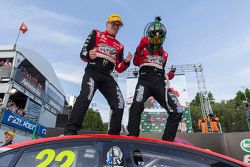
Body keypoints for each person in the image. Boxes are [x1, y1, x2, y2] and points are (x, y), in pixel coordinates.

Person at [64, 14, 132, 135]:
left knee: (120, 104)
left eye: (118, 26)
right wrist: (89, 55)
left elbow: (119, 68)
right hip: (93, 71)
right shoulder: (96, 34)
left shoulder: (120, 46)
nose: (115, 27)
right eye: (113, 24)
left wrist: (126, 62)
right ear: (107, 24)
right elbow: (83, 53)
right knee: (86, 95)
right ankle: (70, 131)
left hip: (108, 75)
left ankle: (114, 135)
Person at [127, 17, 183, 142]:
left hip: (160, 82)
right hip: (144, 81)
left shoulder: (165, 54)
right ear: (149, 35)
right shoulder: (142, 47)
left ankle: (167, 142)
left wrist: (170, 75)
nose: (156, 38)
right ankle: (132, 137)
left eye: (159, 36)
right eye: (154, 35)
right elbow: (136, 62)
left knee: (178, 110)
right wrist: (139, 48)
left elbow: (162, 71)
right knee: (136, 106)